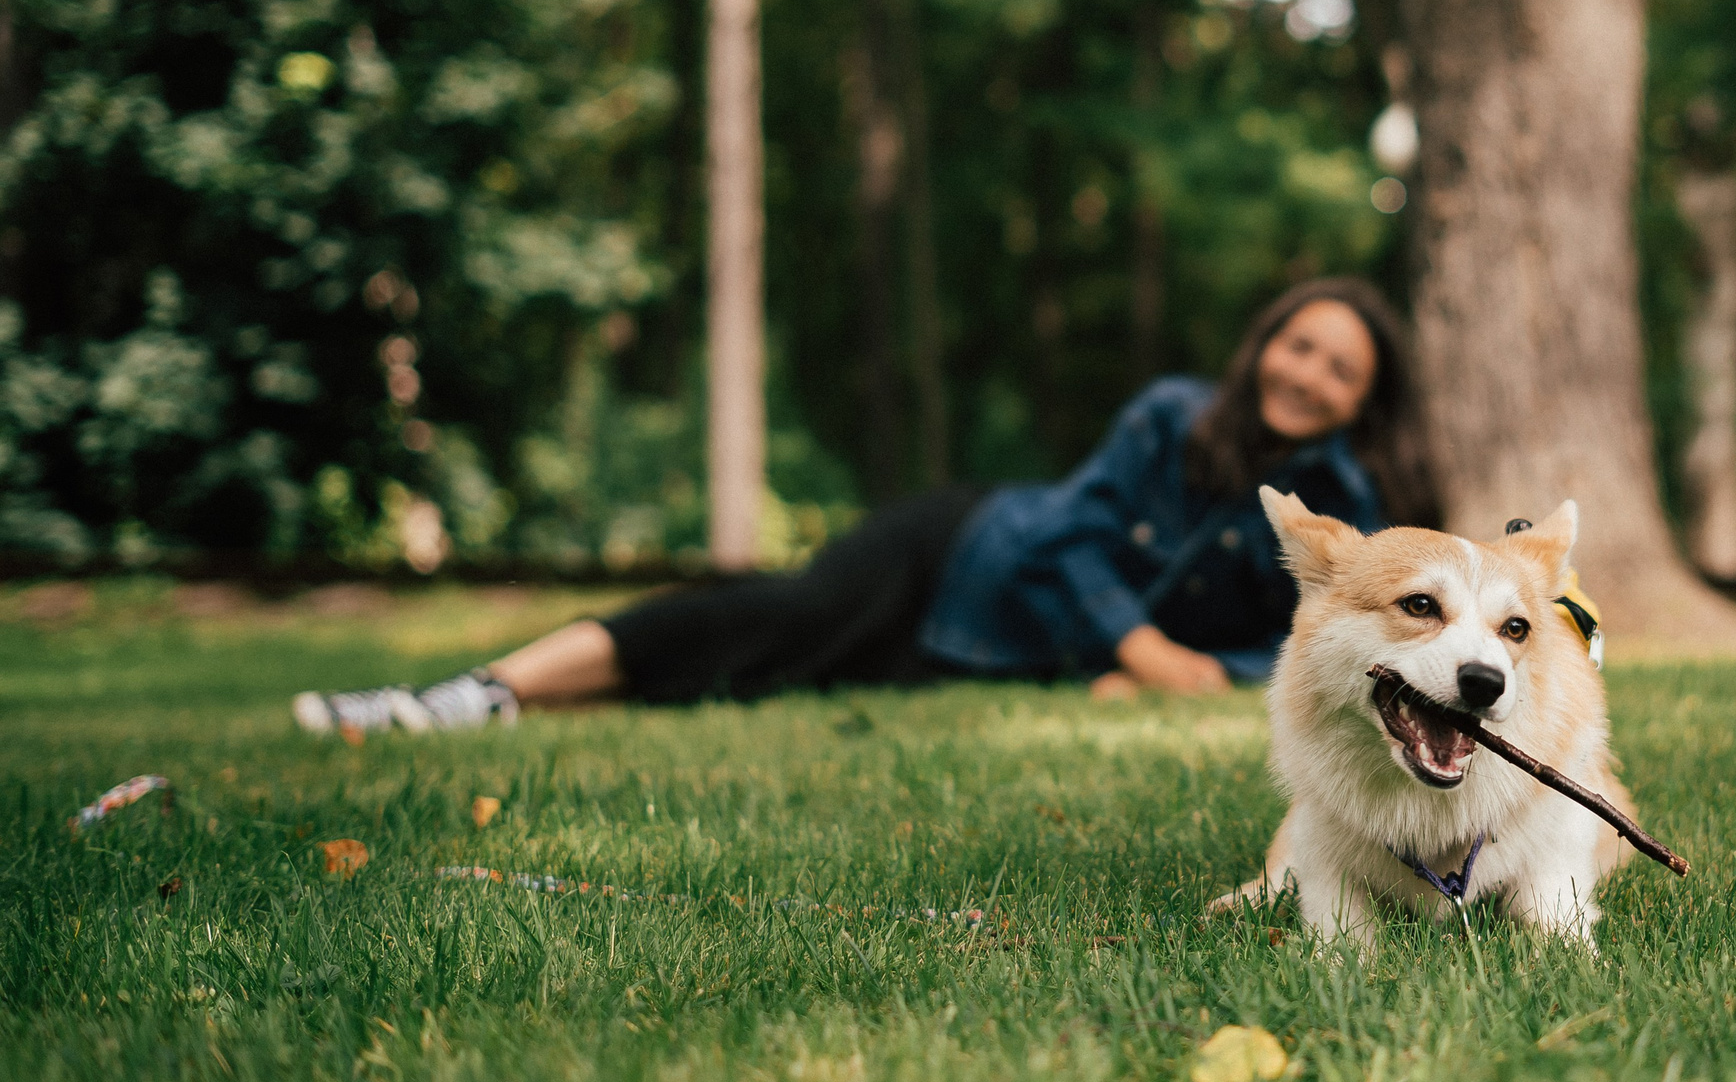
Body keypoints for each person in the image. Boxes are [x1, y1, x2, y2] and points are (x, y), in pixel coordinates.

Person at [291, 278, 1440, 734]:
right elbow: (1076, 538)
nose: (1308, 374)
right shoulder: (1170, 414)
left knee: (770, 681)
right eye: (1300, 346)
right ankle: (467, 696)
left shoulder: (1342, 516)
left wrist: (1193, 673)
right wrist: (1139, 647)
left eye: (1339, 370)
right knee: (770, 619)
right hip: (961, 559)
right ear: (1266, 345)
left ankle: (512, 703)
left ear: (1360, 401)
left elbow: (1304, 646)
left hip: (992, 656)